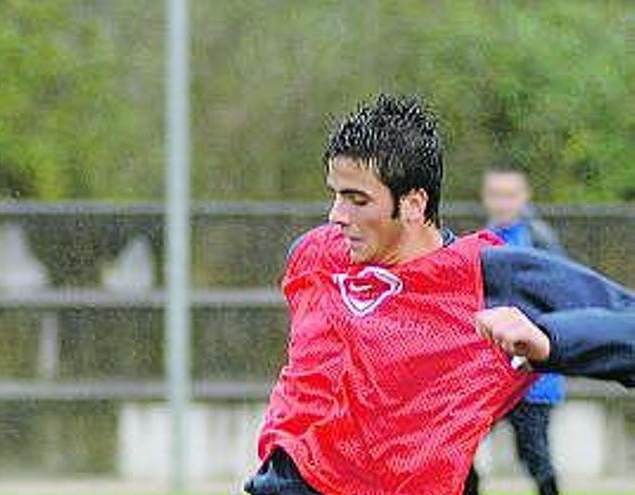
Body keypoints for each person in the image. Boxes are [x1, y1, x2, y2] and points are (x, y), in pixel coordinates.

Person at [243, 95, 634, 495]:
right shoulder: (314, 253)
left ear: (413, 203)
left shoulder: (489, 277)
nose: (336, 215)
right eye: (336, 194)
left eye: (357, 200)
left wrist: (550, 340)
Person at [467, 168, 565, 495]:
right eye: (496, 194)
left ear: (524, 197)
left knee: (535, 456)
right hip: (490, 374)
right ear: (486, 197)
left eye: (510, 194)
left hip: (534, 377)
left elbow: (560, 298)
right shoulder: (481, 244)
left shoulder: (540, 240)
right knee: (463, 450)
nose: (503, 202)